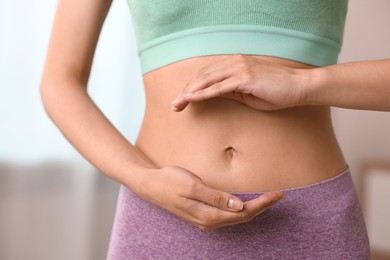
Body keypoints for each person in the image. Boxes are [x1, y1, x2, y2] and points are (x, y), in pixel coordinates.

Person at [40, 0, 389, 259]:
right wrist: (143, 179)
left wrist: (304, 83)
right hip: (162, 213)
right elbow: (59, 82)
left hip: (310, 221)